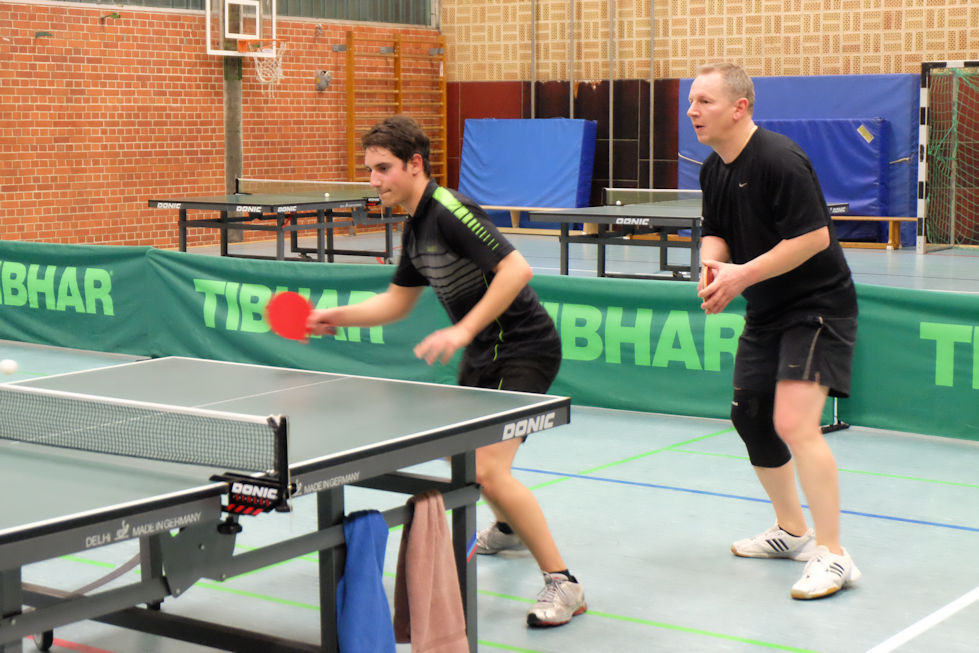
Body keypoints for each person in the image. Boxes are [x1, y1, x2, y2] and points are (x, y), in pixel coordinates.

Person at [306, 115, 586, 626]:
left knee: (487, 471)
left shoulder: (450, 211)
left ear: (415, 164)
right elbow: (396, 303)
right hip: (484, 352)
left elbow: (517, 268)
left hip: (523, 347)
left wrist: (462, 329)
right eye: (369, 170)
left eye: (383, 168)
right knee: (461, 456)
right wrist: (335, 317)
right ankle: (508, 530)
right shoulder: (414, 228)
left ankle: (564, 583)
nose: (374, 180)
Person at [688, 63, 861, 599]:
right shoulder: (714, 169)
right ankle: (791, 530)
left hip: (817, 308)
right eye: (691, 101)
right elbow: (715, 230)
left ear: (739, 107)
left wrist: (741, 275)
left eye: (704, 101)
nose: (692, 111)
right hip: (765, 310)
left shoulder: (780, 159)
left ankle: (834, 554)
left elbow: (813, 238)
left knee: (794, 422)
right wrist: (713, 268)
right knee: (751, 417)